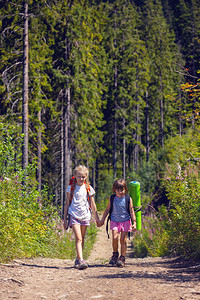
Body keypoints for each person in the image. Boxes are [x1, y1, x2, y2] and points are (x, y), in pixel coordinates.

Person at [64, 165, 100, 270]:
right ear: (75, 176)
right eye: (79, 176)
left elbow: (93, 204)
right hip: (74, 215)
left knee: (82, 239)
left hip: (85, 215)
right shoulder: (70, 188)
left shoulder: (88, 188)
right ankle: (81, 260)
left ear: (86, 177)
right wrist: (65, 219)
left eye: (83, 177)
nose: (81, 179)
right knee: (78, 238)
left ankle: (78, 258)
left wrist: (97, 219)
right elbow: (67, 204)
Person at [98, 178, 137, 267]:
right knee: (115, 238)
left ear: (125, 189)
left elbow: (131, 211)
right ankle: (115, 254)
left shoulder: (128, 198)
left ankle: (122, 257)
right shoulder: (112, 198)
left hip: (125, 221)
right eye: (118, 190)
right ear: (114, 190)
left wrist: (134, 223)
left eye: (122, 190)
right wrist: (102, 220)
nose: (120, 192)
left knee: (123, 240)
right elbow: (107, 209)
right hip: (114, 221)